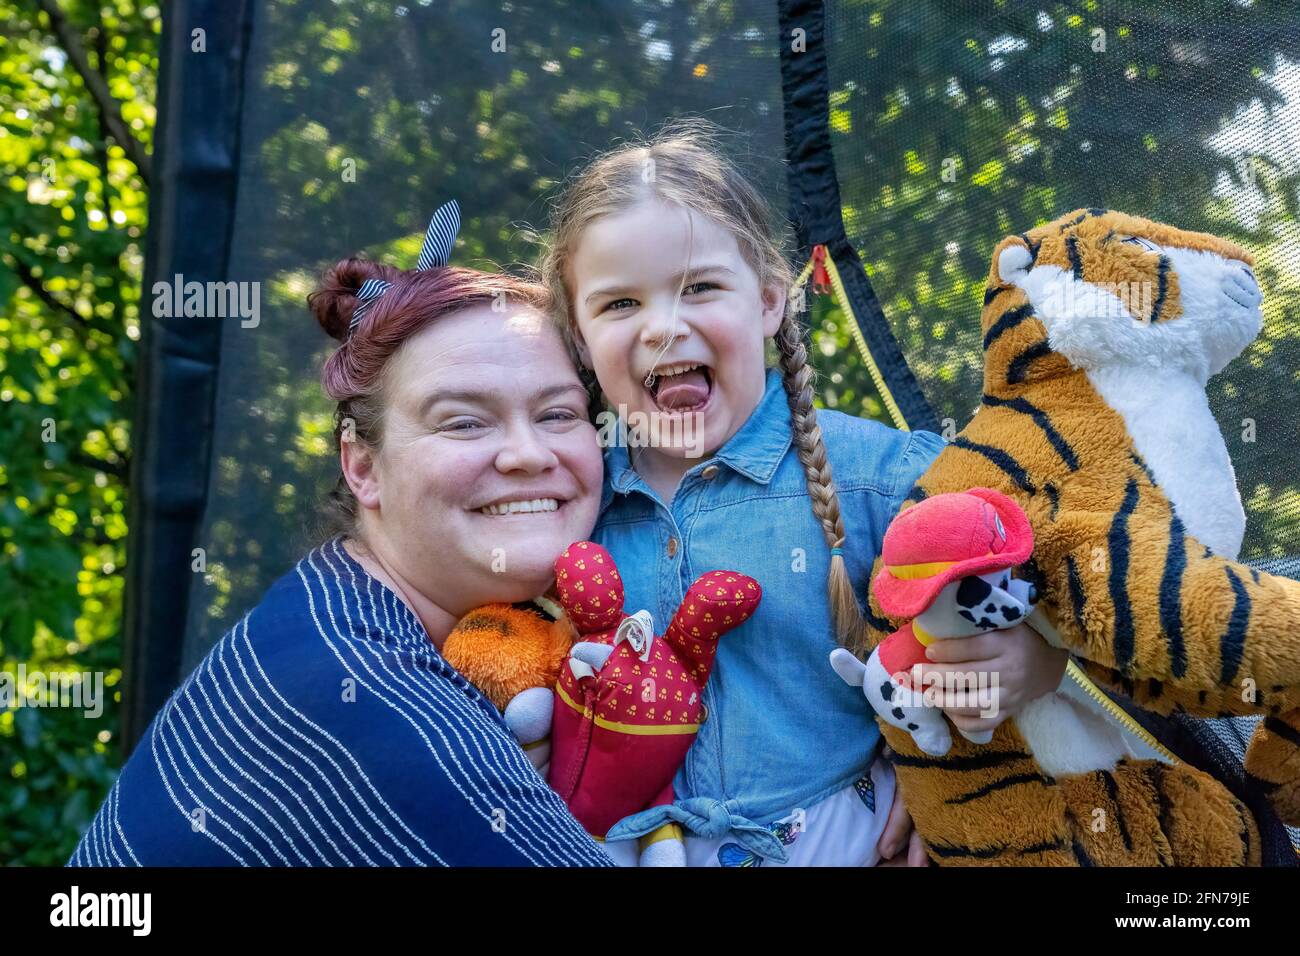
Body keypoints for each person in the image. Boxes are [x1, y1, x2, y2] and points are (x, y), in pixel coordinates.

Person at [540, 122, 1070, 866]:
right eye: (619, 304)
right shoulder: (570, 498)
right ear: (580, 338)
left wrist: (1026, 667)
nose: (664, 327)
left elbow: (1049, 598)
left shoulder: (874, 475)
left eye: (699, 287)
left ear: (768, 301)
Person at [68, 204, 613, 866]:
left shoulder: (330, 605)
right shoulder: (382, 706)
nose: (527, 454)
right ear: (362, 466)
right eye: (465, 423)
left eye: (558, 413)